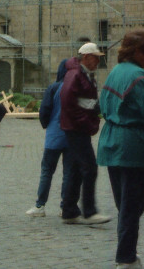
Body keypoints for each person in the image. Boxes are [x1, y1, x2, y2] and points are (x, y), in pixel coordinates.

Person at [97, 28, 144, 269]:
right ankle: (126, 259)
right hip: (134, 148)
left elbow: (108, 104)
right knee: (131, 206)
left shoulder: (116, 72)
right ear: (137, 51)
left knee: (127, 205)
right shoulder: (139, 77)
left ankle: (128, 255)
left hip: (113, 144)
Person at [60, 42, 110, 225]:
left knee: (75, 169)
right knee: (89, 168)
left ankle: (69, 210)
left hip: (77, 127)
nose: (98, 61)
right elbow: (68, 102)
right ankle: (89, 211)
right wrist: (85, 120)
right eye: (96, 58)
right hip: (76, 128)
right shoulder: (76, 74)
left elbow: (80, 102)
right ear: (87, 57)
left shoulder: (81, 74)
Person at [26, 59, 71, 217]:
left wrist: (46, 125)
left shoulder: (54, 87)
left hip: (54, 136)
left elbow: (44, 110)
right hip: (72, 136)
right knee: (68, 173)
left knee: (47, 171)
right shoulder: (75, 86)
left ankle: (40, 206)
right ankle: (65, 206)